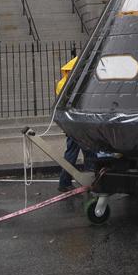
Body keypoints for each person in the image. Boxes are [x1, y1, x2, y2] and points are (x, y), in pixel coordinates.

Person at [54, 56, 94, 192]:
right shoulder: (71, 85)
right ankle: (91, 180)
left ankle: (65, 182)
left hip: (72, 124)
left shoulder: (63, 84)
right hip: (77, 124)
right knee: (88, 152)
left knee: (74, 152)